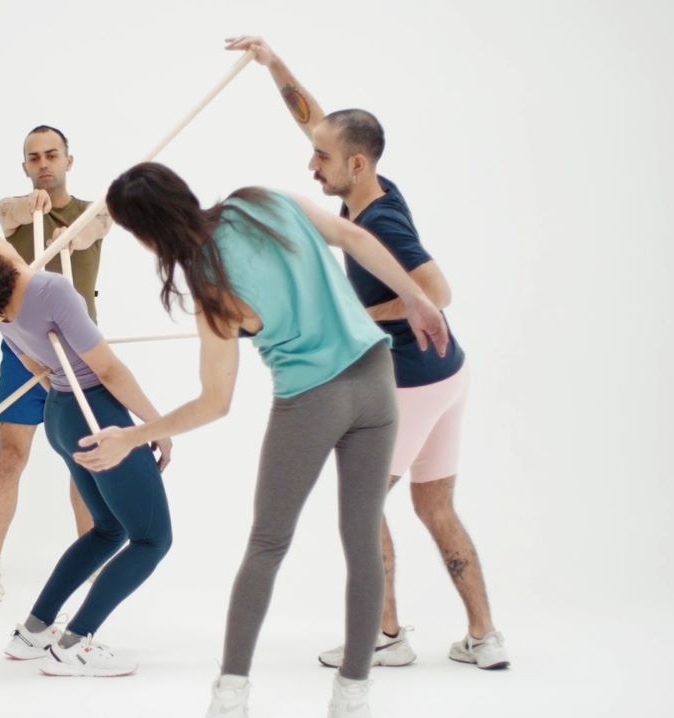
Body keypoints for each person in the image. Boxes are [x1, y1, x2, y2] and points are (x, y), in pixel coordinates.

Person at [84, 162, 448, 716]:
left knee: (267, 544)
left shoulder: (210, 286)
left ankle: (230, 694)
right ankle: (353, 694)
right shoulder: (260, 201)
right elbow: (353, 237)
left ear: (146, 235)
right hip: (377, 379)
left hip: (311, 402)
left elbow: (214, 402)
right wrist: (416, 297)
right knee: (362, 541)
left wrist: (134, 435)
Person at [226, 35, 509, 671]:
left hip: (411, 383)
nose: (311, 165)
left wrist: (358, 315)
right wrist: (273, 64)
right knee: (434, 504)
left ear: (355, 164)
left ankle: (384, 635)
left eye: (322, 158)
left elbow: (437, 292)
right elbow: (317, 123)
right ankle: (484, 636)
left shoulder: (381, 223)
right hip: (449, 375)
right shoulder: (370, 188)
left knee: (365, 506)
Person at [0, 214, 170, 676]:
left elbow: (35, 366)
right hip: (94, 410)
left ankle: (33, 631)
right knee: (152, 538)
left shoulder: (0, 305)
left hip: (62, 413)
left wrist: (70, 403)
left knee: (108, 530)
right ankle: (76, 644)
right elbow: (107, 370)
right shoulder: (49, 290)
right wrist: (155, 426)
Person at [0, 124, 113, 603]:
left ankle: (90, 563)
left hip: (78, 353)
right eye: (34, 157)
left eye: (52, 155)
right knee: (10, 455)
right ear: (25, 166)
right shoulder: (11, 214)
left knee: (84, 459)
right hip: (22, 352)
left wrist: (71, 234)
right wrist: (26, 208)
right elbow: (4, 213)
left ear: (69, 160)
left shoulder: (95, 210)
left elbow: (94, 228)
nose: (44, 163)